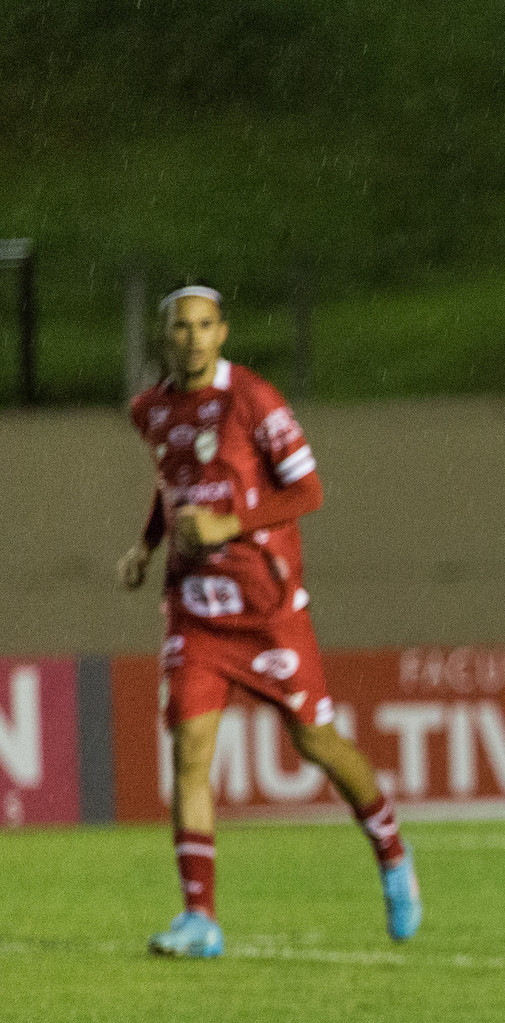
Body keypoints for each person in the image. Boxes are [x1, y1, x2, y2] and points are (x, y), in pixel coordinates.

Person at [117, 283, 423, 958]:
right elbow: (173, 487)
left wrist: (230, 524)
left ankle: (392, 852)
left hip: (267, 612)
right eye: (181, 327)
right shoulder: (150, 410)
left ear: (222, 332)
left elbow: (308, 490)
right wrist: (146, 546)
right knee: (190, 753)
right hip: (195, 612)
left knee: (317, 743)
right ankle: (199, 918)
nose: (193, 338)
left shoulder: (254, 400)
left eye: (205, 325)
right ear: (166, 336)